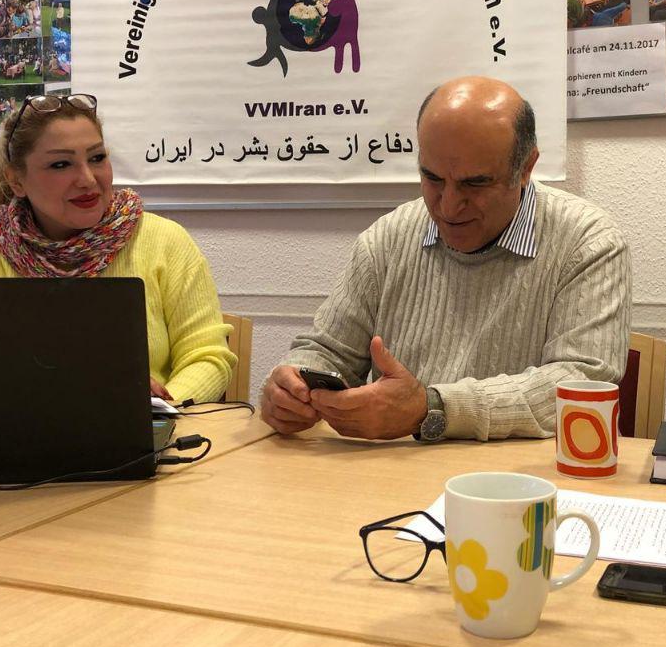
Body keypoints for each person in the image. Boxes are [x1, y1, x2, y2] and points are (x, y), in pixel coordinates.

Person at [260, 77, 630, 441]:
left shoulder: (587, 242)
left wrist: (433, 409)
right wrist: (293, 386)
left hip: (523, 476)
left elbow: (582, 383)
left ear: (526, 168)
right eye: (432, 178)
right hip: (394, 471)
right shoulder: (387, 239)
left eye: (475, 183)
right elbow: (327, 351)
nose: (449, 206)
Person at [0, 93, 236, 403]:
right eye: (60, 164)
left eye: (97, 158)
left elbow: (208, 357)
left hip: (151, 431)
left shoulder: (165, 241)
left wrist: (156, 409)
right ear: (17, 181)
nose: (87, 179)